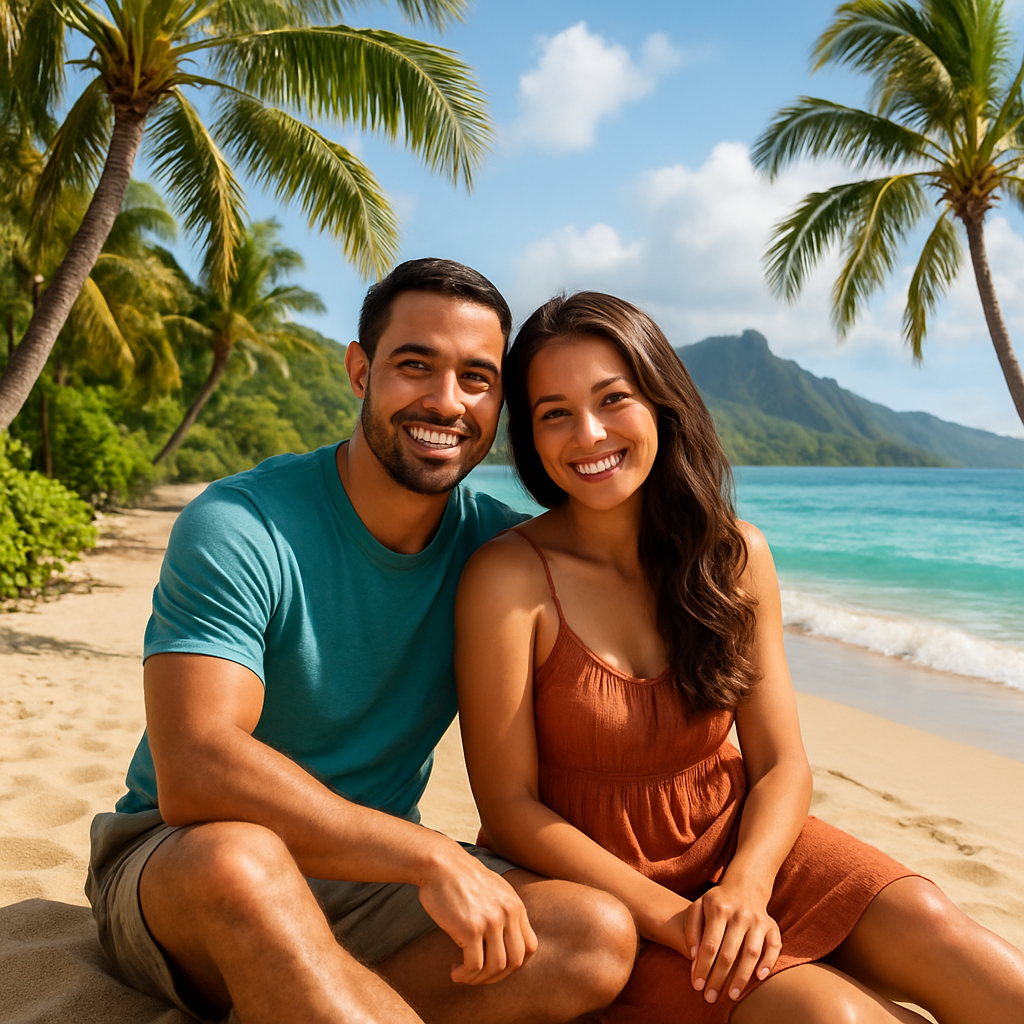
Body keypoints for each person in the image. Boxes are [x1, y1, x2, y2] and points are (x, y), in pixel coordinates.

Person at [85, 262, 637, 1024]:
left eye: (477, 378)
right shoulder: (242, 524)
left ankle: (305, 997)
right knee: (244, 863)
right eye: (416, 365)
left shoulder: (500, 555)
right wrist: (429, 854)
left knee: (593, 934)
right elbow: (197, 767)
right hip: (180, 862)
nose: (446, 401)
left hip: (369, 883)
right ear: (359, 370)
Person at [455, 291, 1024, 1024]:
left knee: (955, 942)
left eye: (612, 398)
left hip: (746, 850)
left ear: (661, 402)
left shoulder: (733, 555)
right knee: (838, 1018)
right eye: (554, 413)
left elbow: (783, 763)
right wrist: (678, 920)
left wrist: (747, 887)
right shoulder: (509, 579)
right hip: (609, 896)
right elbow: (508, 810)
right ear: (531, 439)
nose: (588, 433)